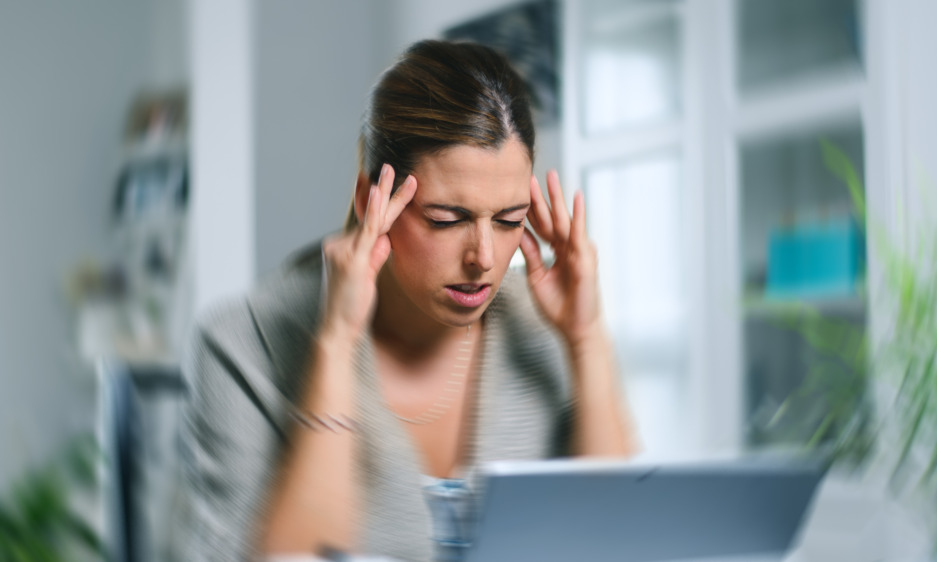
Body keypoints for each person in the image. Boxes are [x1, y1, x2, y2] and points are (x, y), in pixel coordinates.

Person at [172, 39, 635, 562]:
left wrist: (585, 339)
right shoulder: (240, 344)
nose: (484, 258)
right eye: (446, 219)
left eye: (509, 220)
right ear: (375, 201)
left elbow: (615, 541)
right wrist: (336, 346)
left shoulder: (542, 325)